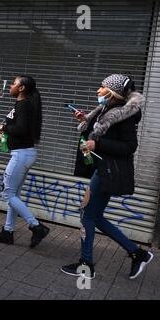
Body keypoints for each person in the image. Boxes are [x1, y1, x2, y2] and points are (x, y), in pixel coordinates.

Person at [61, 74, 153, 280]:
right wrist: (86, 120)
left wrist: (98, 144)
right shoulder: (106, 109)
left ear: (113, 92)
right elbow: (97, 133)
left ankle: (87, 265)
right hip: (102, 169)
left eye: (102, 87)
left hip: (109, 171)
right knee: (94, 216)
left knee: (87, 214)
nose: (98, 91)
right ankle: (138, 253)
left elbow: (130, 147)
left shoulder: (123, 115)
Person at [0, 75, 50, 248]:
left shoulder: (23, 105)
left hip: (21, 155)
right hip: (24, 153)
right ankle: (8, 232)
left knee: (8, 194)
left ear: (21, 88)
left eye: (14, 84)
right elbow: (22, 129)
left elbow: (21, 129)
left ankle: (37, 226)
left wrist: (4, 128)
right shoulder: (23, 105)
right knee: (14, 195)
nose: (11, 86)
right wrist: (4, 136)